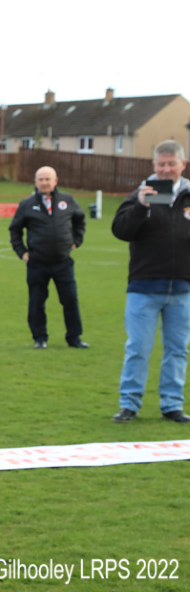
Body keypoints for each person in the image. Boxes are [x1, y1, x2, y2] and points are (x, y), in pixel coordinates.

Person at [111, 140, 190, 424]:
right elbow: (120, 231)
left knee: (178, 350)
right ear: (153, 166)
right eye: (161, 164)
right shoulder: (139, 195)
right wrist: (141, 206)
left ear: (183, 164)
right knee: (138, 349)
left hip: (183, 288)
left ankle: (172, 405)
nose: (166, 169)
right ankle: (129, 404)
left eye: (171, 163)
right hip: (144, 287)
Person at [9, 166, 88, 349]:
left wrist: (76, 241)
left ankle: (74, 338)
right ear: (35, 182)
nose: (44, 183)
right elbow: (15, 229)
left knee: (70, 300)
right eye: (41, 180)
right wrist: (22, 252)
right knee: (37, 301)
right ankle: (40, 338)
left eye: (48, 179)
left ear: (55, 180)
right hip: (37, 263)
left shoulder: (67, 200)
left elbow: (80, 220)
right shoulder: (27, 204)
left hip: (63, 262)